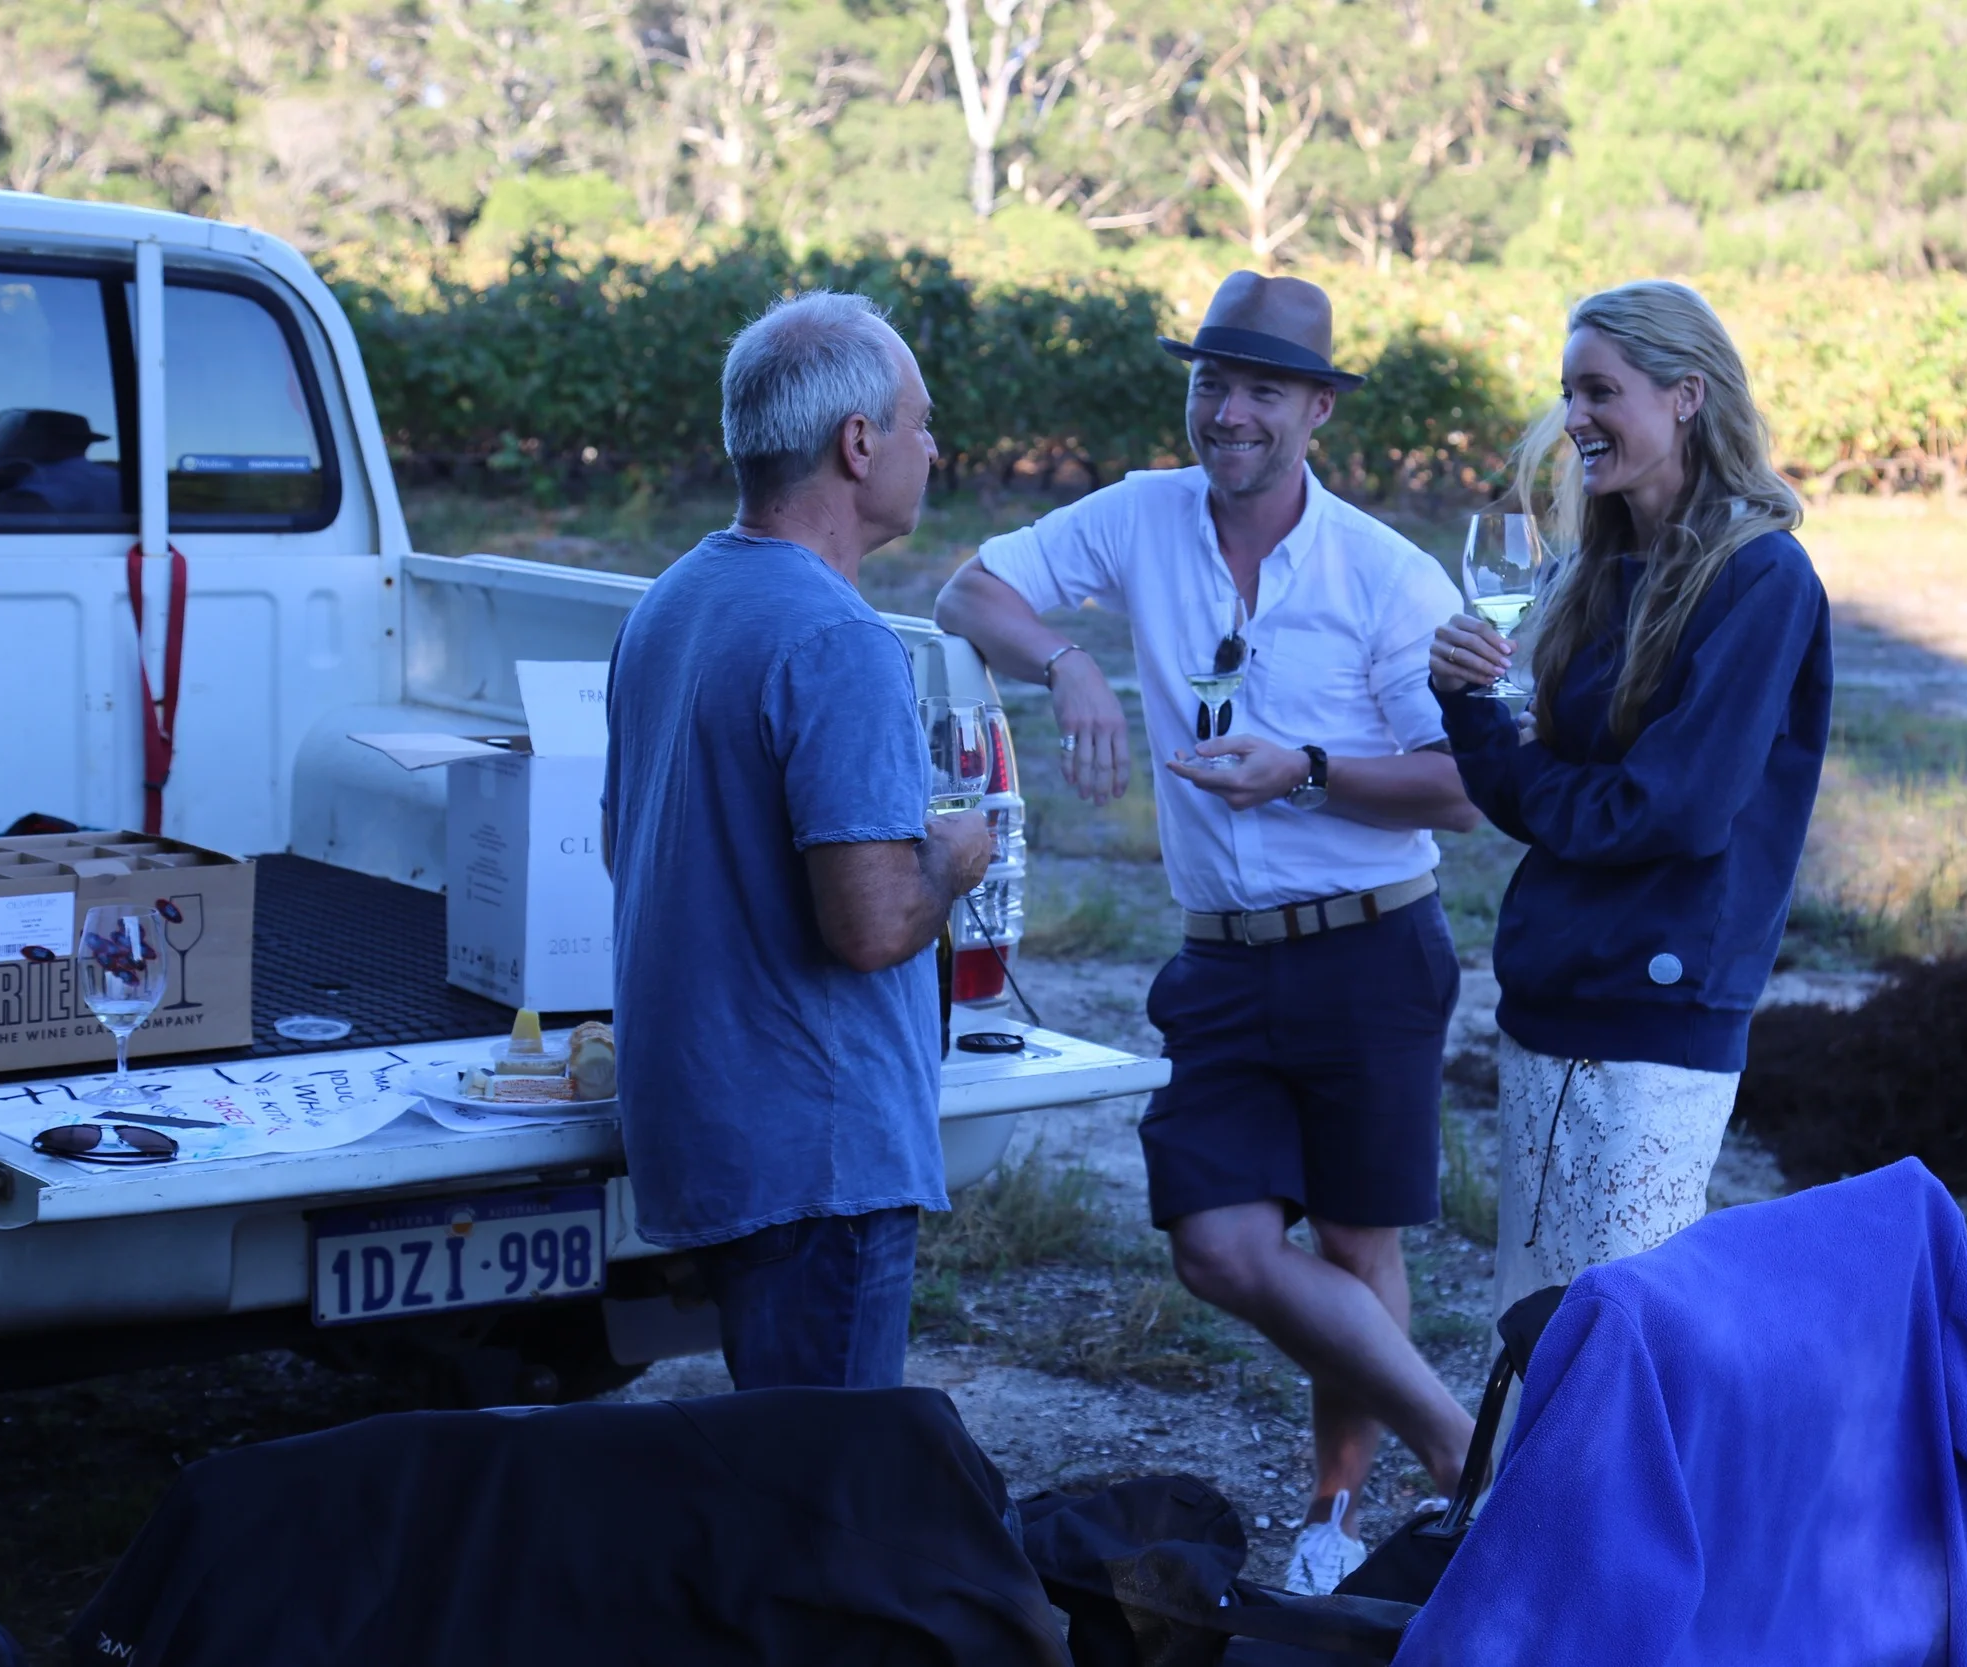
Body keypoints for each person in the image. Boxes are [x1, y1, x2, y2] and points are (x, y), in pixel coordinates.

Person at [933, 271, 1480, 1594]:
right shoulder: (1141, 515)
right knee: (1217, 1242)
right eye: (1213, 384)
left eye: (1263, 391)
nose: (1230, 413)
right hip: (1222, 956)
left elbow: (1463, 786)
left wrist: (1302, 768)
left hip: (1368, 943)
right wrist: (1068, 662)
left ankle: (1335, 1522)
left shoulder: (1384, 576)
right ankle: (1465, 1443)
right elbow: (967, 587)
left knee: (1356, 1247)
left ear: (1318, 411)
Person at [603, 292, 995, 1390]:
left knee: (765, 1480)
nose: (934, 445)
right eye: (920, 421)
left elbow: (621, 845)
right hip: (816, 1156)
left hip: (706, 1128)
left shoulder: (672, 601)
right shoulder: (839, 638)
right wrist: (955, 856)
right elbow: (869, 925)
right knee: (822, 1504)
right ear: (857, 444)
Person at [1429, 279, 1833, 1319]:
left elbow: (1673, 812)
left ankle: (1614, 1493)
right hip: (1549, 994)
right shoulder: (1590, 573)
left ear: (1686, 394)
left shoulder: (1763, 579)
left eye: (1599, 390)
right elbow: (1539, 799)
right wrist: (1469, 705)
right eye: (1568, 392)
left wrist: (1527, 765)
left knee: (1621, 1328)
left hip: (1659, 1013)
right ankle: (1518, 1489)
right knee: (1533, 1311)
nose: (1573, 420)